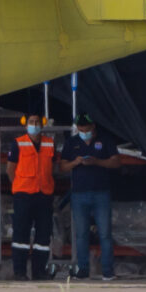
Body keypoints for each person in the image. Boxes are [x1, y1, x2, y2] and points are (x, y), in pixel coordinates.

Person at [59, 116, 123, 280]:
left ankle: (108, 271)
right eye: (81, 130)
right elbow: (62, 166)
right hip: (79, 194)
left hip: (101, 192)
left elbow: (116, 162)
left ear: (93, 127)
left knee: (105, 233)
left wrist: (97, 162)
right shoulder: (72, 142)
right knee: (81, 234)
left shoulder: (105, 140)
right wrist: (76, 162)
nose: (84, 133)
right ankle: (83, 270)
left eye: (87, 130)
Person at [6, 117, 59, 280]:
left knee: (43, 236)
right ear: (26, 124)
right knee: (21, 235)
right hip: (24, 195)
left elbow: (54, 166)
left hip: (44, 195)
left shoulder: (50, 143)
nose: (34, 125)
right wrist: (20, 185)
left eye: (37, 122)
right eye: (31, 122)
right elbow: (10, 170)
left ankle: (39, 271)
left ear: (42, 125)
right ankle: (20, 272)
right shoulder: (18, 143)